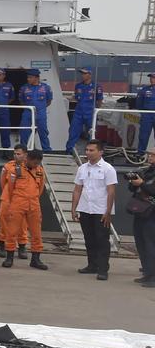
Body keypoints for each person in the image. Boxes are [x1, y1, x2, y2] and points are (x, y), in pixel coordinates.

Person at [71, 139, 117, 280]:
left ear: (100, 152)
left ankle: (103, 269)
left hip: (101, 210)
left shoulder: (107, 169)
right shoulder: (82, 168)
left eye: (92, 150)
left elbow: (111, 191)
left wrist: (108, 211)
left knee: (102, 240)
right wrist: (74, 209)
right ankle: (92, 265)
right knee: (89, 239)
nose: (88, 153)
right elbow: (77, 189)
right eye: (87, 150)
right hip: (85, 208)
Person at [1, 149, 49, 270]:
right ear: (27, 159)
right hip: (18, 203)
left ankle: (36, 259)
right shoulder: (15, 171)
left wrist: (33, 198)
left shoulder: (40, 172)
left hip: (34, 205)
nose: (36, 165)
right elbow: (9, 188)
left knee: (36, 232)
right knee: (12, 231)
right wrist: (17, 200)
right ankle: (9, 257)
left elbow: (41, 188)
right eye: (34, 162)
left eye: (38, 163)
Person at [127, 149, 155, 288]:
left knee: (151, 244)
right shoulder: (147, 170)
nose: (150, 157)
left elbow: (151, 190)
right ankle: (148, 273)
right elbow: (135, 189)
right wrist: (133, 182)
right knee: (141, 242)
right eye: (149, 154)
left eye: (153, 155)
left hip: (152, 214)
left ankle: (153, 277)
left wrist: (142, 184)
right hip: (141, 210)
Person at [0, 145, 30, 260]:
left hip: (22, 199)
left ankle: (22, 246)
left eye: (19, 154)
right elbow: (2, 182)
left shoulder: (29, 167)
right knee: (3, 219)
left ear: (25, 155)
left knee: (22, 224)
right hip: (7, 197)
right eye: (15, 153)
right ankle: (2, 244)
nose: (16, 156)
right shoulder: (8, 166)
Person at [67, 67, 104, 149]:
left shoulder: (96, 86)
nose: (83, 75)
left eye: (85, 73)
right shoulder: (78, 86)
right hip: (78, 112)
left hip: (90, 113)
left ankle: (92, 151)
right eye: (82, 73)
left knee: (92, 133)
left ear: (90, 75)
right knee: (73, 131)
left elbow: (100, 100)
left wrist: (95, 110)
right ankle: (69, 150)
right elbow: (76, 97)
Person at [18, 68, 53, 151]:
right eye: (28, 77)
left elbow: (49, 101)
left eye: (30, 77)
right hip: (27, 113)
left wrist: (41, 108)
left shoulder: (46, 87)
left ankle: (47, 150)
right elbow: (21, 100)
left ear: (36, 78)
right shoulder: (24, 88)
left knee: (43, 132)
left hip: (40, 113)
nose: (28, 79)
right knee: (24, 132)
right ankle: (23, 151)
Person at [137, 73, 155, 153]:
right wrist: (144, 112)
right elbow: (139, 103)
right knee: (143, 135)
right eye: (151, 78)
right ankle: (140, 154)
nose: (151, 79)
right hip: (147, 114)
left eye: (153, 78)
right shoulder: (144, 90)